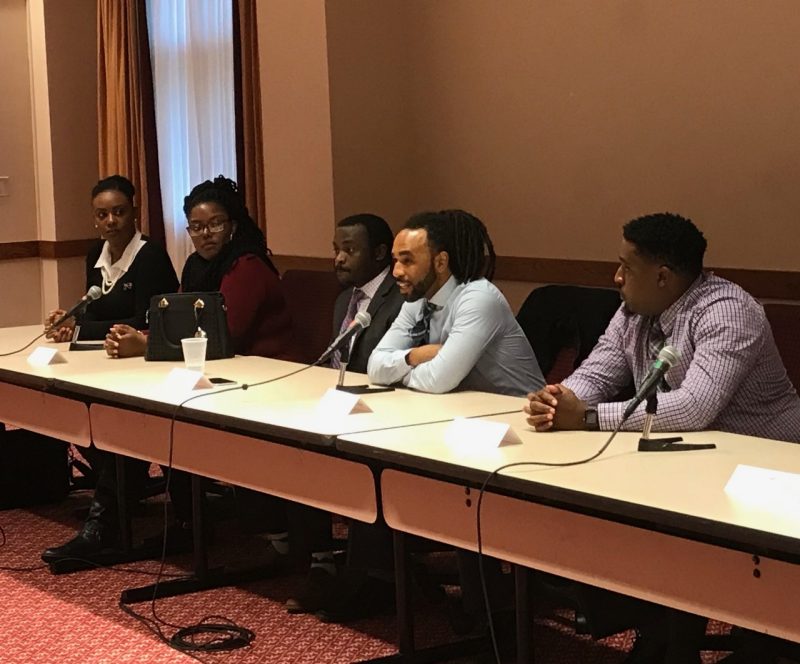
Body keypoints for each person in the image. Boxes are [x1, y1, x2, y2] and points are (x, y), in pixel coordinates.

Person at [525, 212, 800, 664]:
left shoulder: (728, 311)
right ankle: (662, 638)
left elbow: (694, 408)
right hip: (695, 462)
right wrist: (558, 399)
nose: (616, 277)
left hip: (766, 469)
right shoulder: (635, 311)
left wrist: (587, 417)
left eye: (625, 267)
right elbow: (599, 370)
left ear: (663, 276)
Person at [42, 175, 297, 563]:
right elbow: (172, 318)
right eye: (196, 227)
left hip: (266, 381)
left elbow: (226, 335)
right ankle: (176, 518)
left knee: (161, 419)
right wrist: (140, 336)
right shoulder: (197, 266)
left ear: (232, 225)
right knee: (137, 416)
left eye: (214, 224)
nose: (205, 234)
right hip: (220, 374)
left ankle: (173, 519)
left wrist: (145, 343)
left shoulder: (246, 265)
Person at [276, 214, 404, 618]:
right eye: (336, 249)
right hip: (343, 406)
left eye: (350, 250)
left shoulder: (400, 301)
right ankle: (320, 562)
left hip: (387, 412)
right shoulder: (342, 300)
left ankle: (371, 577)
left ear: (381, 254)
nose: (338, 259)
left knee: (359, 466)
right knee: (291, 443)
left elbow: (385, 367)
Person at [368, 209, 544, 395]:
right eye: (395, 260)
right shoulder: (417, 300)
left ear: (441, 262)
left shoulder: (478, 298)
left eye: (407, 260)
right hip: (462, 408)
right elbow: (375, 367)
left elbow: (437, 380)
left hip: (519, 413)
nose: (396, 271)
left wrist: (396, 375)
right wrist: (414, 356)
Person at [45, 175, 178, 342]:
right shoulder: (95, 254)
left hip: (140, 352)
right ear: (95, 220)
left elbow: (144, 323)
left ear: (134, 213)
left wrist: (80, 328)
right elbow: (93, 313)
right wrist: (68, 324)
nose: (111, 221)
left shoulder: (150, 255)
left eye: (119, 212)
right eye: (102, 215)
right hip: (103, 348)